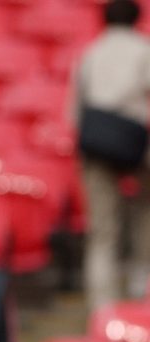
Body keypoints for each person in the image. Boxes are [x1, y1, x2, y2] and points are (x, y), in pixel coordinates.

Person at [72, 0, 150, 311]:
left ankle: (101, 308)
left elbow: (74, 111)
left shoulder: (91, 53)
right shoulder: (143, 50)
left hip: (96, 145)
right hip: (135, 142)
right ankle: (142, 285)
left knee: (103, 231)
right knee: (145, 213)